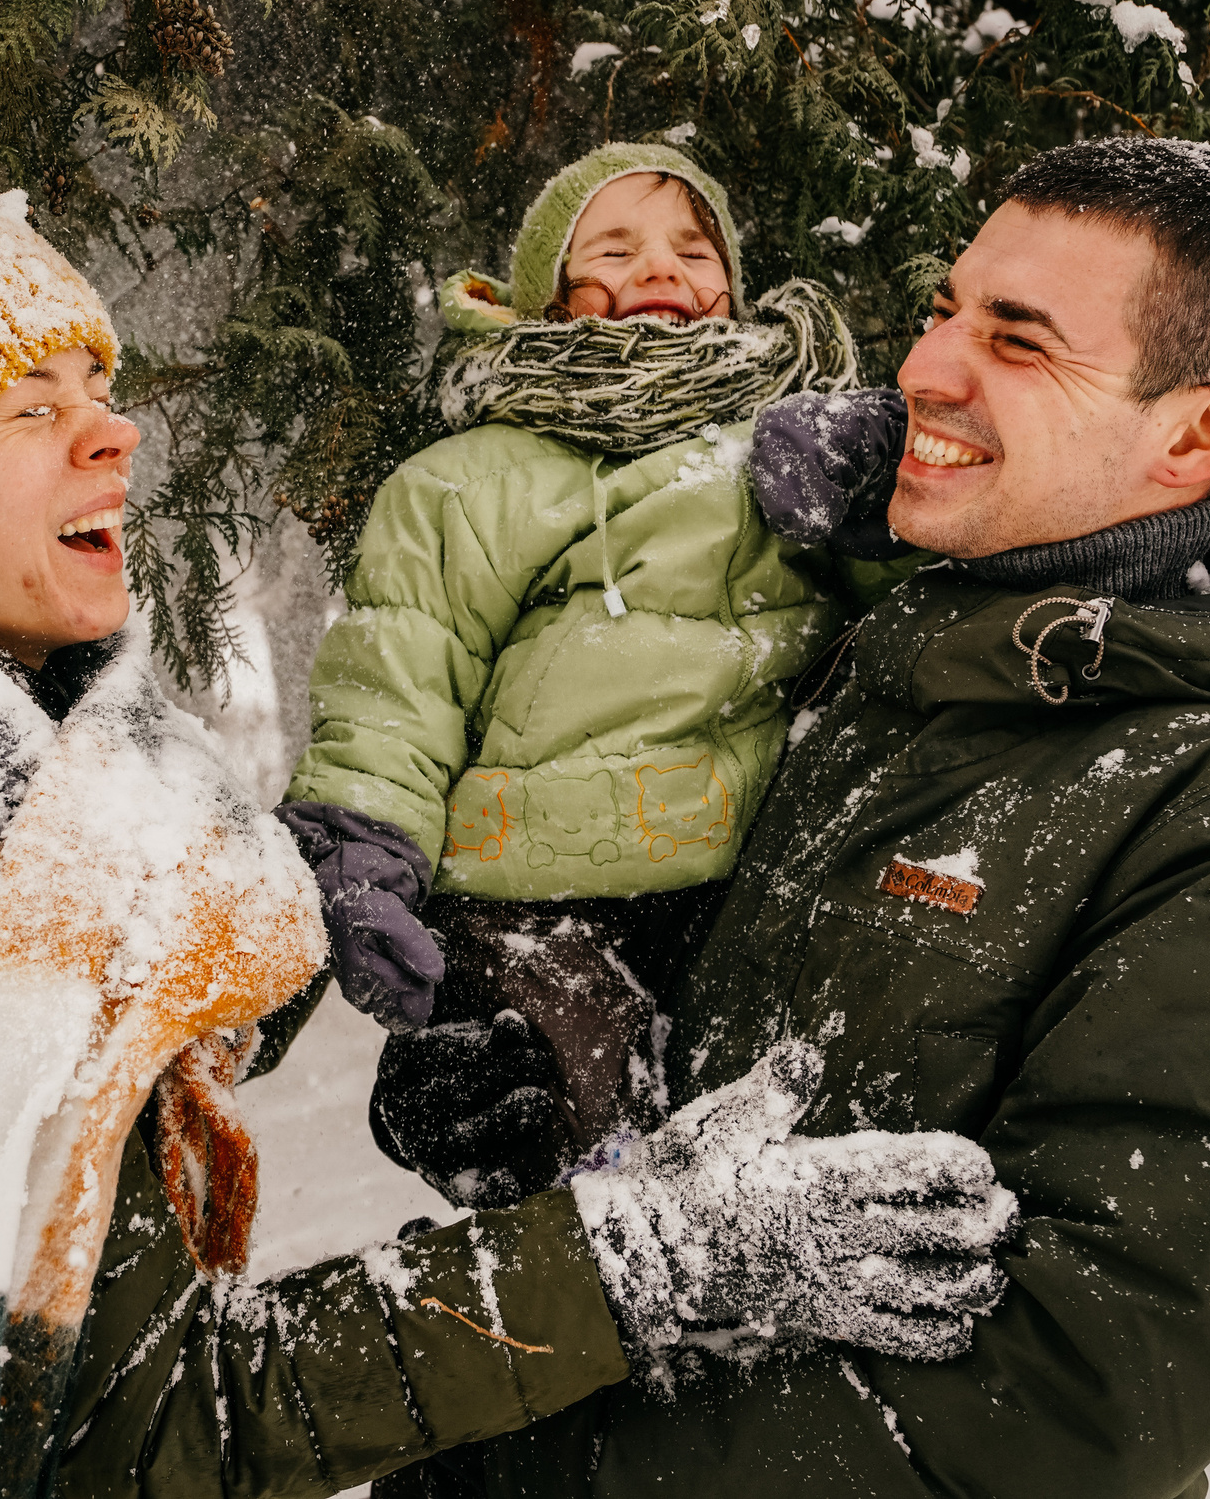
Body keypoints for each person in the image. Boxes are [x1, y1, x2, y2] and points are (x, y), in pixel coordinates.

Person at [0, 176, 1015, 1499]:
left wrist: (349, 891)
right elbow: (153, 1423)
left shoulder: (15, 795)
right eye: (27, 408)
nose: (112, 428)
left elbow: (189, 967)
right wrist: (641, 1258)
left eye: (97, 386)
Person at [369, 138, 1210, 1498]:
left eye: (1020, 339)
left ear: (1202, 430)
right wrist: (532, 1067)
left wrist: (538, 1472)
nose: (925, 367)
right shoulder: (876, 671)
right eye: (944, 307)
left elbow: (1083, 1383)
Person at [277, 142, 909, 1206]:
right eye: (612, 248)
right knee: (575, 1175)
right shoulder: (469, 481)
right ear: (546, 300)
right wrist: (364, 841)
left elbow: (917, 625)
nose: (660, 267)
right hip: (534, 901)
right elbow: (401, 677)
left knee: (767, 1160)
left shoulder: (787, 452)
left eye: (691, 247)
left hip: (748, 884)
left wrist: (885, 480)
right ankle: (563, 1325)